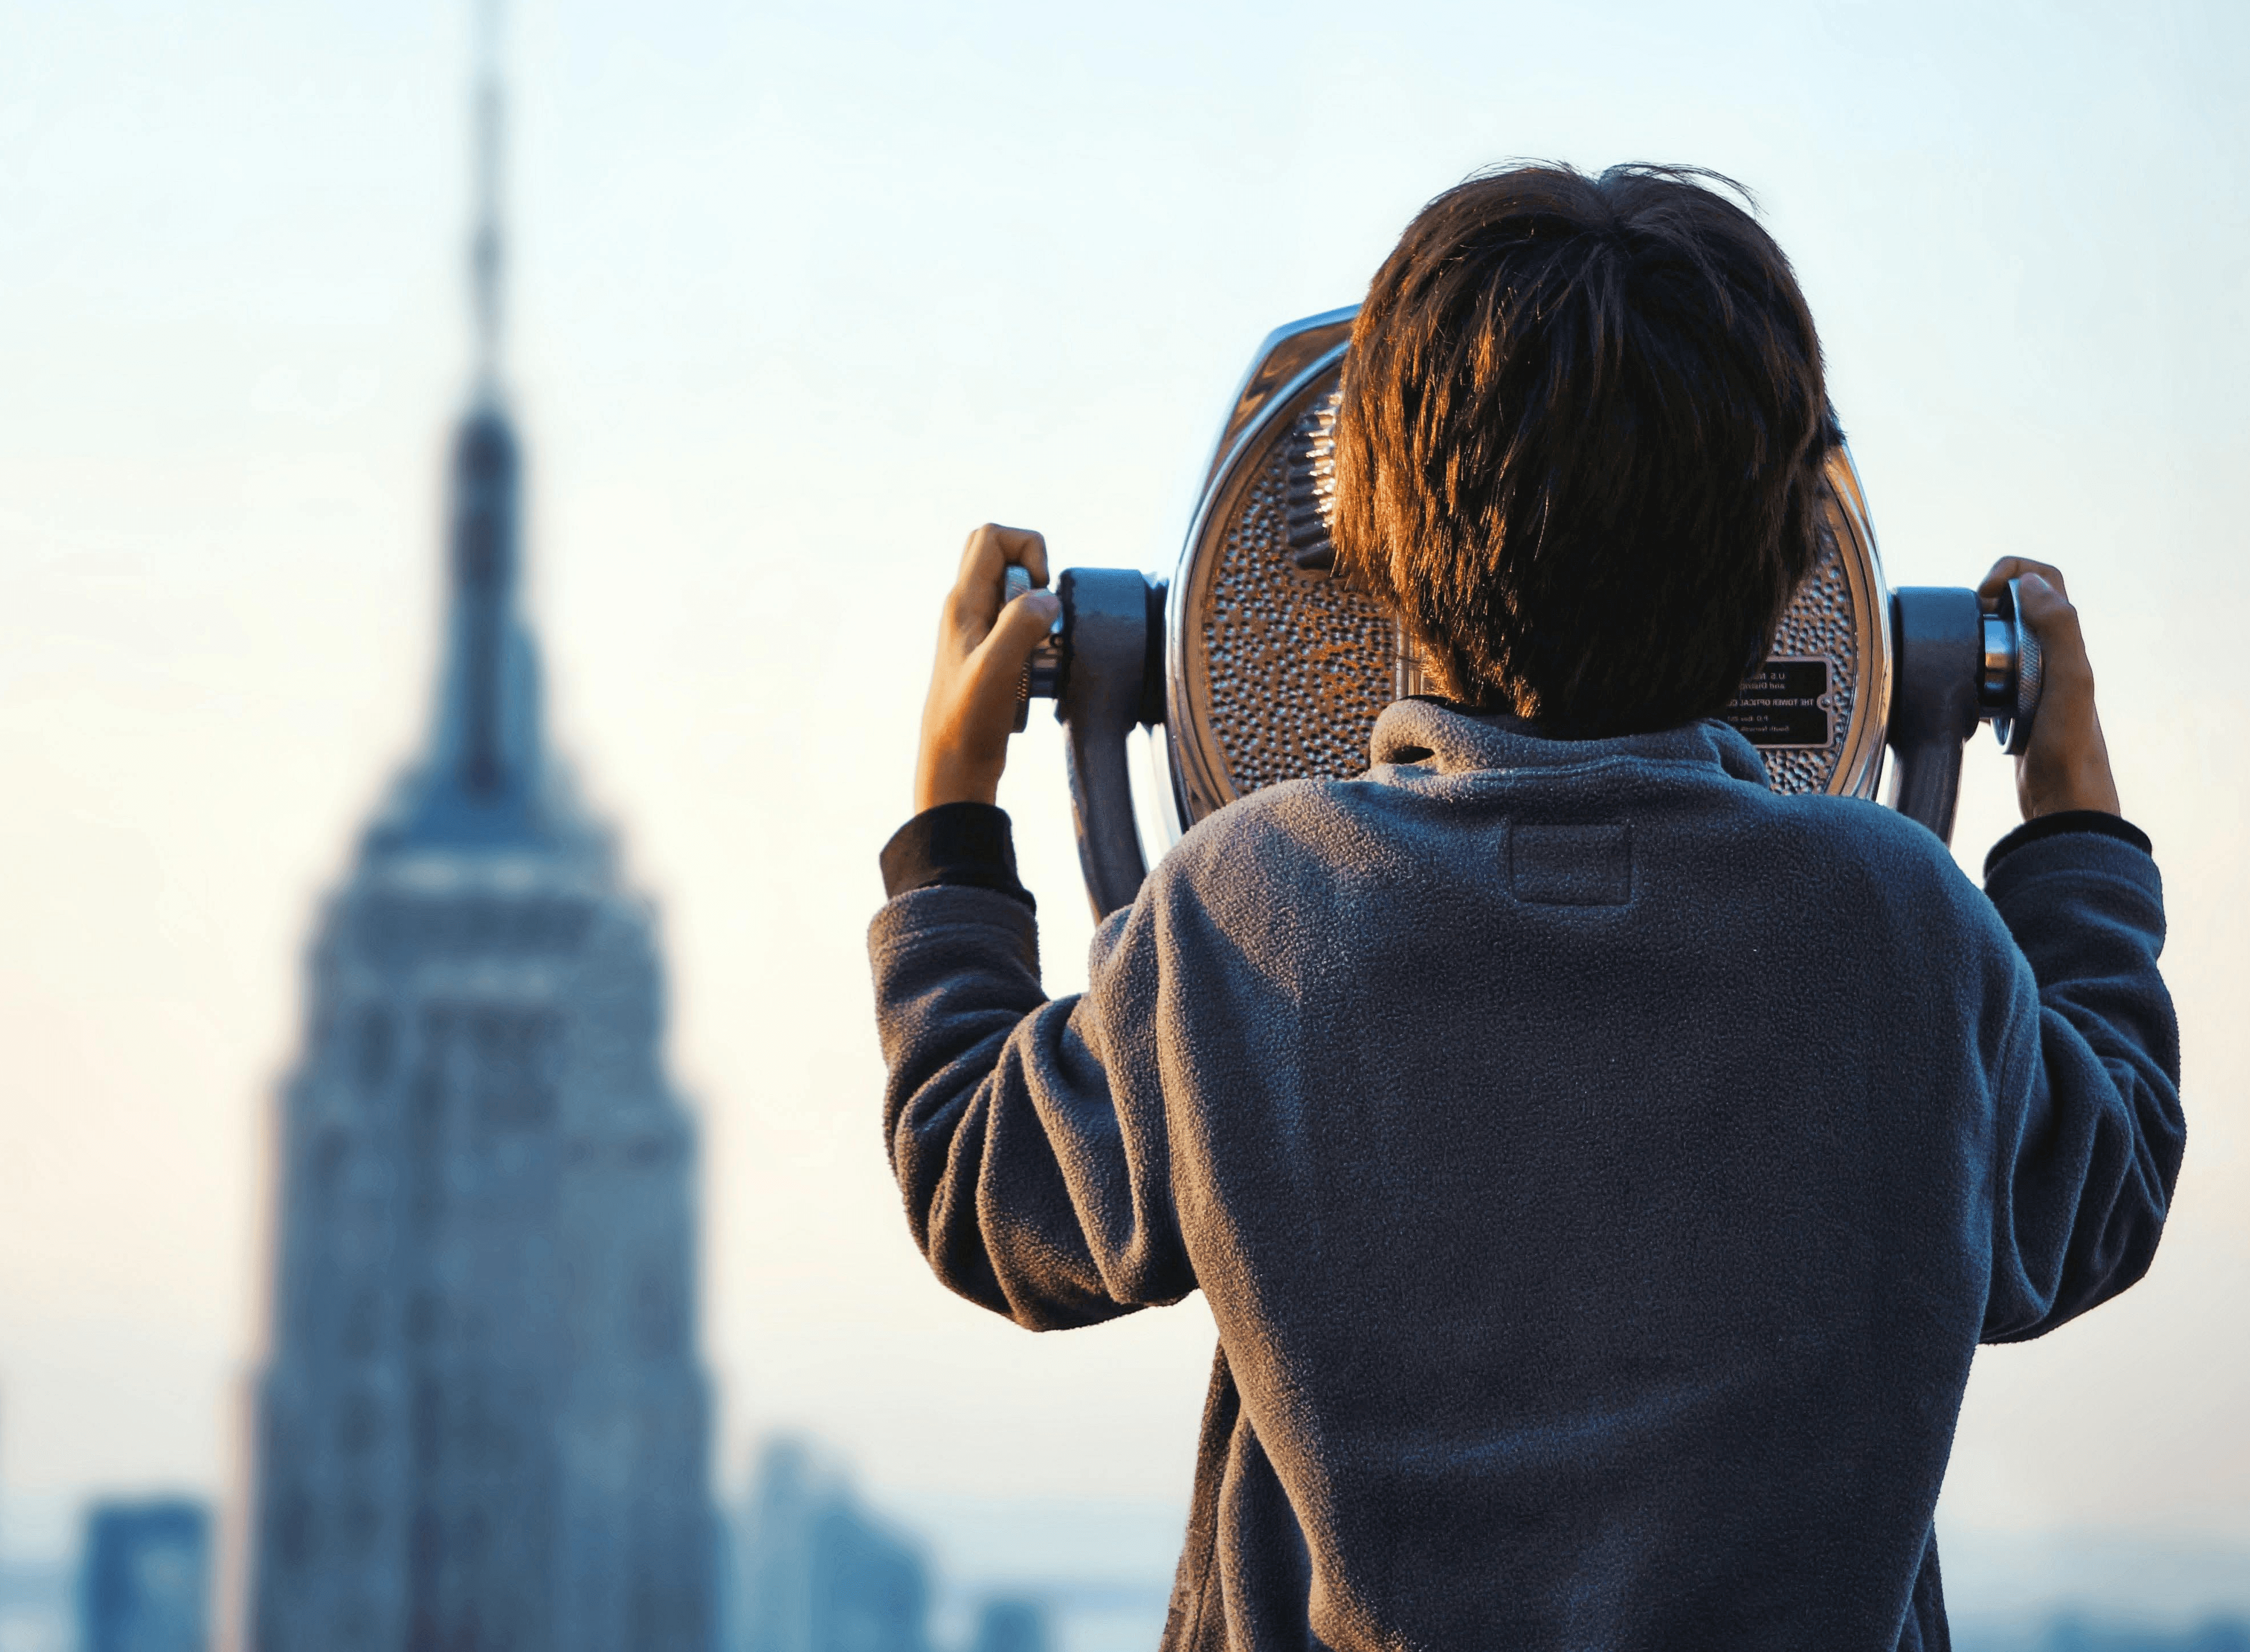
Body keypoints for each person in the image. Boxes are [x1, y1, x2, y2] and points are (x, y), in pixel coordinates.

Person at [865, 164, 2181, 1651]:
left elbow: (979, 1190)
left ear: (1367, 533)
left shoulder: (1247, 916)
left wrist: (952, 816)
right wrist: (2075, 820)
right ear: (1800, 560)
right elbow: (2102, 1194)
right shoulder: (1904, 932)